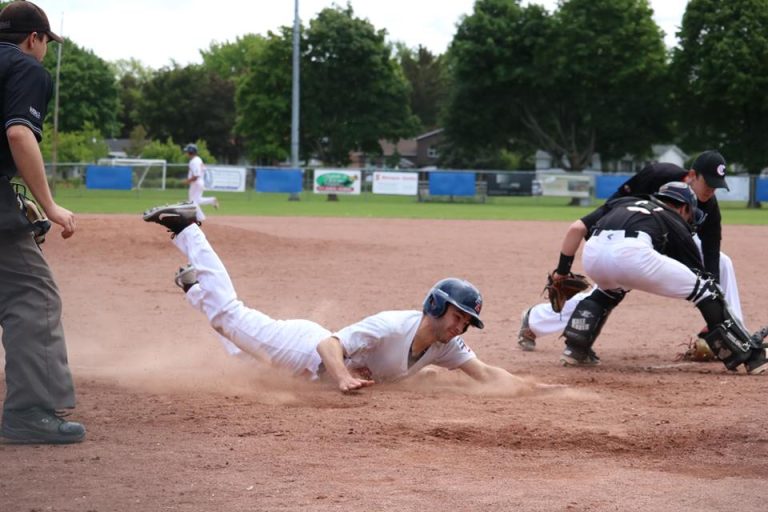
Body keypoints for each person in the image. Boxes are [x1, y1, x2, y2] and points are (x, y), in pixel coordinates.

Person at [142, 201, 545, 393]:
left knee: (236, 352)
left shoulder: (446, 346)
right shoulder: (393, 325)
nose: (461, 328)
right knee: (229, 318)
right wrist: (343, 377)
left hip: (308, 370)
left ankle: (196, 288)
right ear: (436, 306)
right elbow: (328, 343)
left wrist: (540, 389)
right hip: (302, 348)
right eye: (457, 316)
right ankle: (189, 228)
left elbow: (487, 374)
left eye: (466, 323)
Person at [517, 152, 751, 352]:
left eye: (716, 185)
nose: (711, 190)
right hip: (635, 243)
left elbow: (710, 250)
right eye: (708, 183)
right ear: (691, 175)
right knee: (608, 289)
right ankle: (536, 320)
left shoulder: (709, 207)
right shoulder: (660, 175)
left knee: (722, 262)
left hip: (674, 246)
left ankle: (731, 331)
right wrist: (602, 238)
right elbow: (617, 203)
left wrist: (715, 300)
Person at [551, 182, 767, 373]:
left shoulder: (625, 202)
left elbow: (577, 228)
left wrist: (561, 271)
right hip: (632, 253)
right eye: (690, 213)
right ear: (683, 208)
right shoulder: (674, 220)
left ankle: (575, 349)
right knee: (706, 290)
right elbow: (702, 279)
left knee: (609, 289)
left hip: (593, 254)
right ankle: (751, 356)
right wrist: (717, 316)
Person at [0, 1, 85, 443]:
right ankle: (30, 413)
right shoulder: (27, 68)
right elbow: (18, 133)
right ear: (34, 39)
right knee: (34, 297)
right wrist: (48, 204)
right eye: (46, 43)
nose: (45, 50)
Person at [183, 143, 218, 222]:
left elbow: (196, 175)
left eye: (187, 151)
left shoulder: (193, 162)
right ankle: (212, 200)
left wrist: (187, 181)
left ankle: (201, 218)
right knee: (197, 200)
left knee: (192, 202)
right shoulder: (198, 159)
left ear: (190, 152)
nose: (186, 153)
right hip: (200, 182)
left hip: (196, 183)